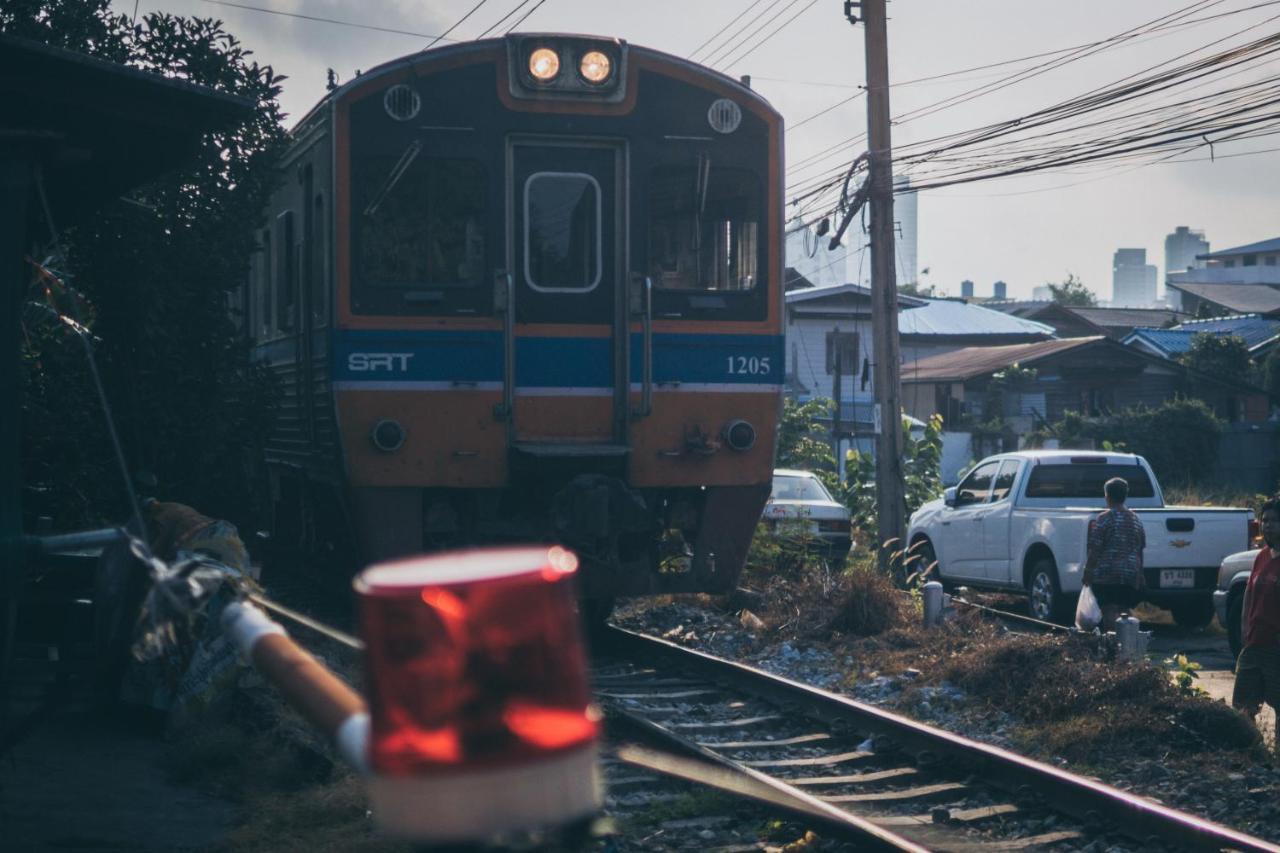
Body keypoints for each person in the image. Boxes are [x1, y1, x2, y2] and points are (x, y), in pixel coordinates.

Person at [1233, 497, 1280, 745]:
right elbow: (1249, 594)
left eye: (1275, 521)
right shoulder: (1262, 557)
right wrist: (1244, 627)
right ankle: (1252, 753)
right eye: (1266, 520)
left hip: (1276, 647)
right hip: (1254, 643)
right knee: (1242, 707)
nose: (1268, 526)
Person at [1083, 477, 1146, 628]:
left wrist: (1088, 571)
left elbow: (1095, 548)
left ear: (1107, 496)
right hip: (1130, 574)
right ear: (1125, 496)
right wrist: (1140, 574)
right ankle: (1129, 642)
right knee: (1124, 610)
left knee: (1109, 609)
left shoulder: (1105, 518)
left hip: (1107, 574)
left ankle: (1114, 643)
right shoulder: (1136, 519)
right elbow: (1140, 549)